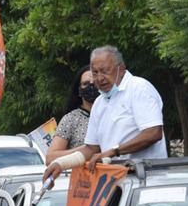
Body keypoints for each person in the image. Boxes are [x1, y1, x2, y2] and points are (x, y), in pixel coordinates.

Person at [43, 45, 166, 182]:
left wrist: (114, 151)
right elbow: (91, 149)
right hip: (114, 181)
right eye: (95, 73)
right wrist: (61, 164)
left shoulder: (138, 88)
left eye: (105, 71)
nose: (99, 78)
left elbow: (153, 133)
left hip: (147, 179)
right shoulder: (99, 103)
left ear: (121, 68)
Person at [46, 66, 97, 160]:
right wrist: (86, 151)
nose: (91, 86)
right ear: (79, 89)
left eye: (95, 83)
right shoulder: (71, 119)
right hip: (82, 173)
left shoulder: (113, 113)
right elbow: (50, 158)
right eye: (86, 83)